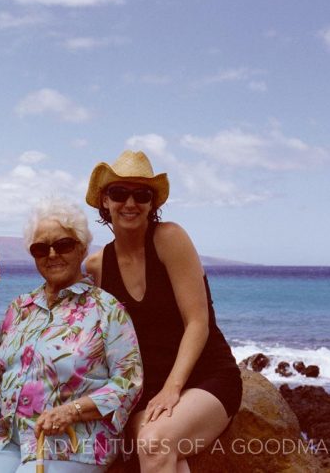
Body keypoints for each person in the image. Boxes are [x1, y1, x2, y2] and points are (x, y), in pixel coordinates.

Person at [0, 197, 143, 473]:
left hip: (73, 443)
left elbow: (129, 382)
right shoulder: (19, 308)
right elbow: (3, 381)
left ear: (81, 248)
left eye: (63, 245)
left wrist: (71, 411)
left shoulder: (106, 309)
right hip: (8, 438)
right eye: (41, 248)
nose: (52, 254)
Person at [84, 150, 242, 472]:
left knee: (154, 443)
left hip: (205, 377)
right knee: (157, 448)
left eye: (141, 195)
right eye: (119, 193)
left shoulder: (169, 239)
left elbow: (197, 322)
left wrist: (173, 389)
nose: (130, 203)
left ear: (152, 203)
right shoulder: (98, 266)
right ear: (104, 201)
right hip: (147, 390)